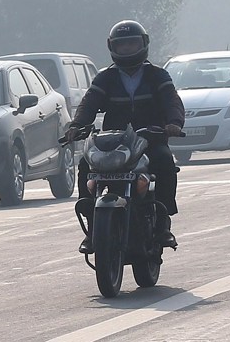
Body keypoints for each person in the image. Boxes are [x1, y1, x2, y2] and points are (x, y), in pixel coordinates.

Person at [65, 19, 185, 254]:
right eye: (123, 45)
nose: (128, 49)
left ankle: (162, 223)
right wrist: (77, 125)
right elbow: (89, 103)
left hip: (150, 139)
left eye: (132, 44)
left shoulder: (157, 75)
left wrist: (173, 123)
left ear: (143, 44)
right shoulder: (104, 77)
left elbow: (172, 101)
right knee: (84, 166)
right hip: (113, 143)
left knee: (165, 162)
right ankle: (92, 229)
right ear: (112, 47)